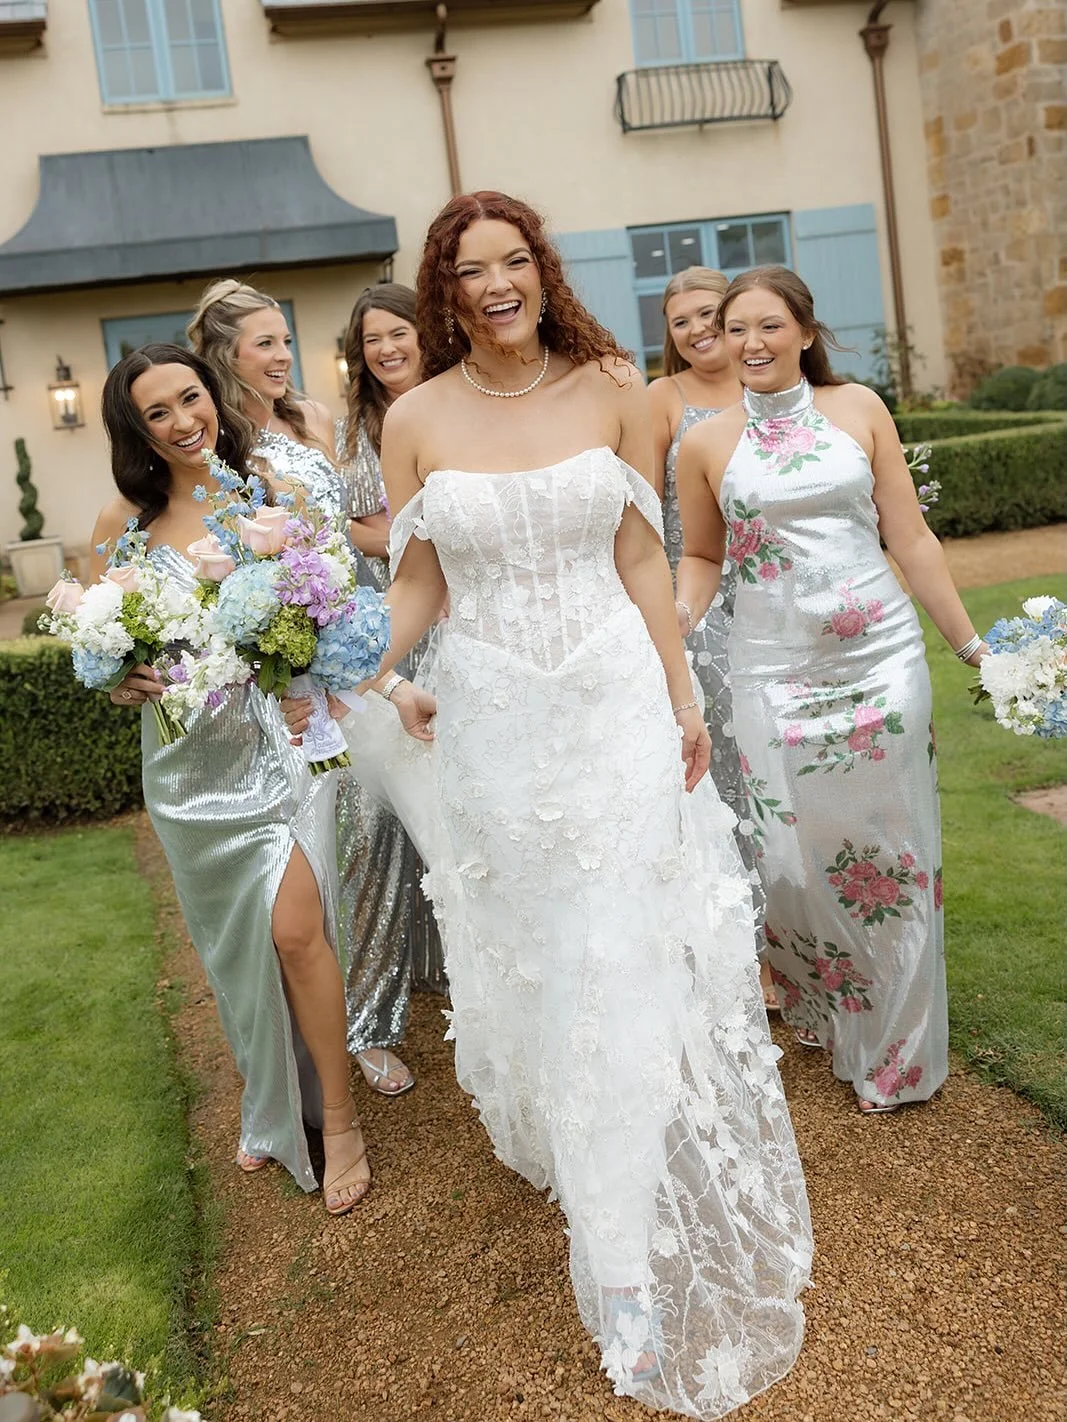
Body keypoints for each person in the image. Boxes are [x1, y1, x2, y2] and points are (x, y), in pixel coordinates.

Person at [289, 193, 812, 1416]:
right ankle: (587, 1160)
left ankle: (621, 1264)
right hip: (498, 725)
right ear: (446, 291)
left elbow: (639, 555)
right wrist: (362, 670)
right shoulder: (415, 418)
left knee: (618, 954)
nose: (496, 283)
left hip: (615, 706)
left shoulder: (613, 391)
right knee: (548, 959)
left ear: (540, 271)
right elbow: (418, 582)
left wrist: (681, 697)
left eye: (513, 261)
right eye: (470, 271)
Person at [675, 265, 987, 1114]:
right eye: (734, 328)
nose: (750, 342)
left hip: (880, 659)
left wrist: (968, 645)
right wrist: (671, 621)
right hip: (769, 670)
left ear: (805, 333)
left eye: (769, 325)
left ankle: (899, 1052)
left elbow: (910, 537)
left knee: (893, 853)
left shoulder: (859, 411)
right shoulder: (704, 443)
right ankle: (823, 997)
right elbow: (702, 556)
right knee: (789, 865)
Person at [94, 344, 369, 1213]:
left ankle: (341, 1117)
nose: (184, 422)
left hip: (273, 750)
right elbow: (109, 647)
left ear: (213, 394)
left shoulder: (267, 500)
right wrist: (116, 678)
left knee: (294, 932)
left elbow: (326, 611)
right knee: (237, 953)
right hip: (183, 771)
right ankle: (268, 1100)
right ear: (135, 432)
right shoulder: (121, 526)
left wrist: (300, 678)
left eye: (190, 398)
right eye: (159, 414)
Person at [189, 282, 420, 1097]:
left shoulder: (315, 421)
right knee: (320, 849)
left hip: (353, 632)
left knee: (376, 837)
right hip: (292, 669)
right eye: (263, 344)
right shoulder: (220, 443)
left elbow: (347, 533)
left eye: (285, 340)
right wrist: (289, 672)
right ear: (225, 354)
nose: (282, 357)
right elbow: (235, 571)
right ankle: (332, 1026)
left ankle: (375, 1011)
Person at [647, 268, 771, 1005]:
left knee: (780, 777)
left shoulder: (775, 389)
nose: (695, 331)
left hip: (774, 598)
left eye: (707, 315)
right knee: (726, 780)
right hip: (694, 607)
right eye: (679, 322)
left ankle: (800, 938)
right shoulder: (662, 400)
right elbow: (634, 509)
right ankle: (745, 948)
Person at [336, 283, 446, 996]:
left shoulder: (452, 405)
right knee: (410, 786)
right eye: (372, 339)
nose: (386, 348)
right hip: (391, 617)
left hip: (461, 608)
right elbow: (344, 528)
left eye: (397, 332)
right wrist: (410, 543)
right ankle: (421, 959)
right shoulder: (352, 436)